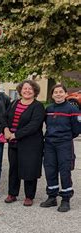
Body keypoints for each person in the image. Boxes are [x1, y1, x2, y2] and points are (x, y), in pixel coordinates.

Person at [4, 80, 45, 206]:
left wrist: (15, 135)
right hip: (13, 143)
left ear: (35, 91)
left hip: (31, 144)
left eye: (30, 89)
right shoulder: (14, 103)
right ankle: (12, 194)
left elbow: (34, 125)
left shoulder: (38, 106)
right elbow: (4, 117)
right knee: (13, 169)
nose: (27, 91)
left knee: (29, 169)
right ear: (20, 90)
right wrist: (5, 129)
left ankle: (29, 196)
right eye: (25, 88)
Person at [40, 84, 80, 212]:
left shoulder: (72, 109)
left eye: (60, 92)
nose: (58, 94)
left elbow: (77, 129)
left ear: (66, 94)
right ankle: (52, 197)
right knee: (50, 169)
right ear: (52, 95)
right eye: (55, 92)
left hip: (64, 144)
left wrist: (65, 137)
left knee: (65, 170)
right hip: (50, 143)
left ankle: (65, 199)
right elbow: (47, 124)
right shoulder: (49, 109)